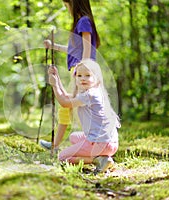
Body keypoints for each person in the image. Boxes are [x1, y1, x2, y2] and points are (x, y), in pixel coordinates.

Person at [40, 0, 100, 150]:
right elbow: (74, 50)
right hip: (81, 71)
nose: (67, 9)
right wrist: (53, 46)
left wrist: (81, 72)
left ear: (74, 4)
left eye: (67, 6)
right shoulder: (82, 22)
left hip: (82, 72)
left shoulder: (84, 21)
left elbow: (86, 50)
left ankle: (94, 144)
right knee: (71, 107)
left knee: (69, 106)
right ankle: (57, 144)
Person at [47, 59, 120, 173]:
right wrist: (57, 78)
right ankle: (101, 156)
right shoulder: (94, 92)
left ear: (96, 79)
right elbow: (66, 96)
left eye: (88, 75)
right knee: (73, 137)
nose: (82, 78)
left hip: (100, 144)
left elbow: (65, 103)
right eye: (79, 75)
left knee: (62, 157)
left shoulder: (90, 95)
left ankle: (99, 159)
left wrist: (55, 86)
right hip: (111, 143)